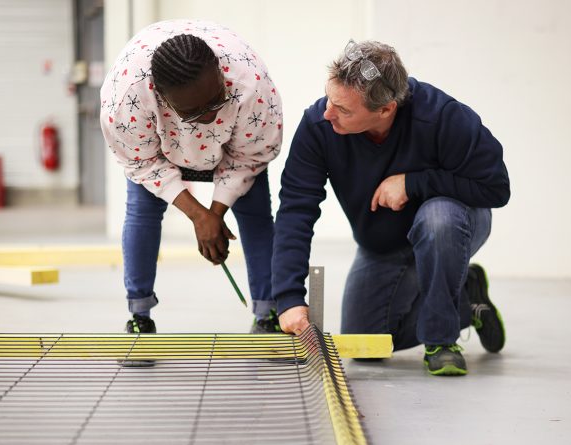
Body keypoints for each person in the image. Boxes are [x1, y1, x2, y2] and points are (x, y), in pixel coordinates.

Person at [272, 40, 510, 376]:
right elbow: (296, 208)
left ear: (386, 109)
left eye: (343, 109)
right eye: (329, 99)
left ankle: (441, 342)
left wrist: (413, 184)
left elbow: (496, 188)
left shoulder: (442, 116)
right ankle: (465, 299)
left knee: (438, 217)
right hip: (383, 243)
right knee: (365, 342)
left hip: (449, 228)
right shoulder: (319, 125)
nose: (328, 113)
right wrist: (288, 296)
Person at [100, 20, 284, 337]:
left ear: (221, 74)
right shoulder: (125, 98)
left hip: (234, 147)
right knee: (142, 212)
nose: (210, 116)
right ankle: (139, 316)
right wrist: (199, 215)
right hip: (161, 146)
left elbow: (250, 155)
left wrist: (217, 212)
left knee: (255, 213)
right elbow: (141, 161)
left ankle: (268, 313)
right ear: (160, 96)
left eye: (216, 100)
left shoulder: (251, 86)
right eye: (195, 112)